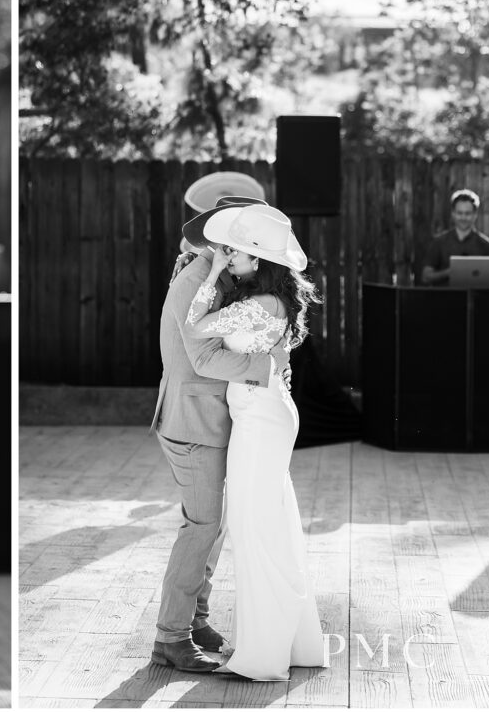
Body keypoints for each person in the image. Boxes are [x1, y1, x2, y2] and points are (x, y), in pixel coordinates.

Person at [183, 202, 326, 681]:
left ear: (257, 259)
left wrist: (214, 272)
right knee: (271, 524)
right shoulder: (268, 303)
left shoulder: (259, 307)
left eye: (237, 252)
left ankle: (262, 658)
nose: (230, 255)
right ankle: (291, 643)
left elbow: (195, 327)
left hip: (261, 418)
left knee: (254, 530)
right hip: (264, 412)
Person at [150, 196, 293, 674]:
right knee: (201, 527)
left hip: (221, 419)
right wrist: (265, 368)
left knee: (216, 526)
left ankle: (198, 619)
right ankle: (170, 637)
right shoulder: (195, 279)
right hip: (193, 421)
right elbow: (200, 357)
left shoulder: (228, 275)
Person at [422, 189, 489, 286]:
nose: (463, 218)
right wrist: (449, 272)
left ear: (475, 215)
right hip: (445, 298)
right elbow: (426, 277)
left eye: (467, 213)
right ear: (453, 214)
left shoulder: (485, 244)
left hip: (476, 299)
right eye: (459, 213)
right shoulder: (439, 242)